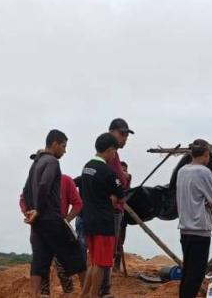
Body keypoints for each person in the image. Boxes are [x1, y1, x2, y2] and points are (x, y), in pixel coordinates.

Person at [22, 129, 86, 298]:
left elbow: (26, 190)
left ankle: (34, 295)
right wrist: (38, 209)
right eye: (63, 146)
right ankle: (89, 294)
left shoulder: (35, 163)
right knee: (77, 256)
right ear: (55, 144)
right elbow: (45, 184)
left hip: (38, 224)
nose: (65, 151)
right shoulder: (52, 162)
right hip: (52, 219)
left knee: (39, 262)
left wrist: (31, 212)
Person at [79, 133, 125, 298]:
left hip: (89, 220)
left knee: (92, 261)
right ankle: (93, 295)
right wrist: (113, 196)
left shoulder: (86, 167)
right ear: (111, 150)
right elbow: (121, 196)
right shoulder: (108, 172)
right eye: (115, 152)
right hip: (104, 223)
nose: (114, 155)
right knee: (100, 263)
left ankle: (84, 294)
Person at [176, 139, 212, 298]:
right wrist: (206, 202)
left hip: (185, 229)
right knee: (196, 274)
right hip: (200, 229)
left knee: (188, 271)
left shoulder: (182, 171)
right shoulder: (204, 173)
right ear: (206, 154)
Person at [100, 117, 134, 296]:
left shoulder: (115, 157)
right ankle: (103, 290)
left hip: (116, 209)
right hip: (110, 209)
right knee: (105, 250)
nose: (125, 138)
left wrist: (125, 179)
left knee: (110, 249)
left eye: (127, 135)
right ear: (111, 132)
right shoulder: (108, 157)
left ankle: (103, 287)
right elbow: (105, 180)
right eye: (122, 134)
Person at [113, 161, 132, 271]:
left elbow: (128, 177)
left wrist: (122, 173)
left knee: (120, 240)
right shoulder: (113, 179)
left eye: (125, 170)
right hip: (111, 212)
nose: (124, 172)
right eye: (122, 170)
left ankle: (116, 264)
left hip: (121, 213)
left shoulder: (126, 180)